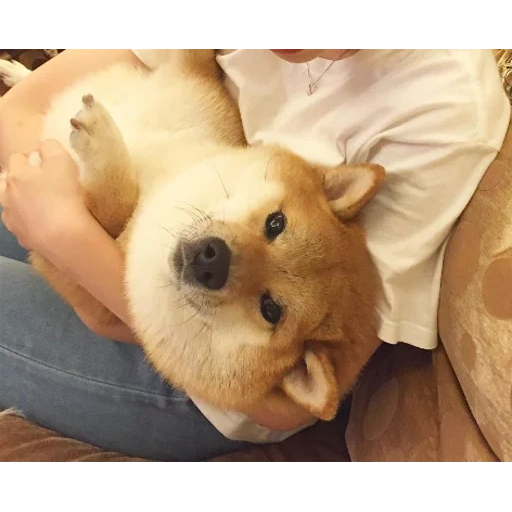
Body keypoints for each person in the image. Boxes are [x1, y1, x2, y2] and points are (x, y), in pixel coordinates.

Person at [0, 48, 509, 462]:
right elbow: (17, 115)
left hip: (199, 389)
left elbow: (288, 405)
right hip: (148, 213)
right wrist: (55, 189)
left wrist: (67, 237)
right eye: (273, 225)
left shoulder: (442, 111)